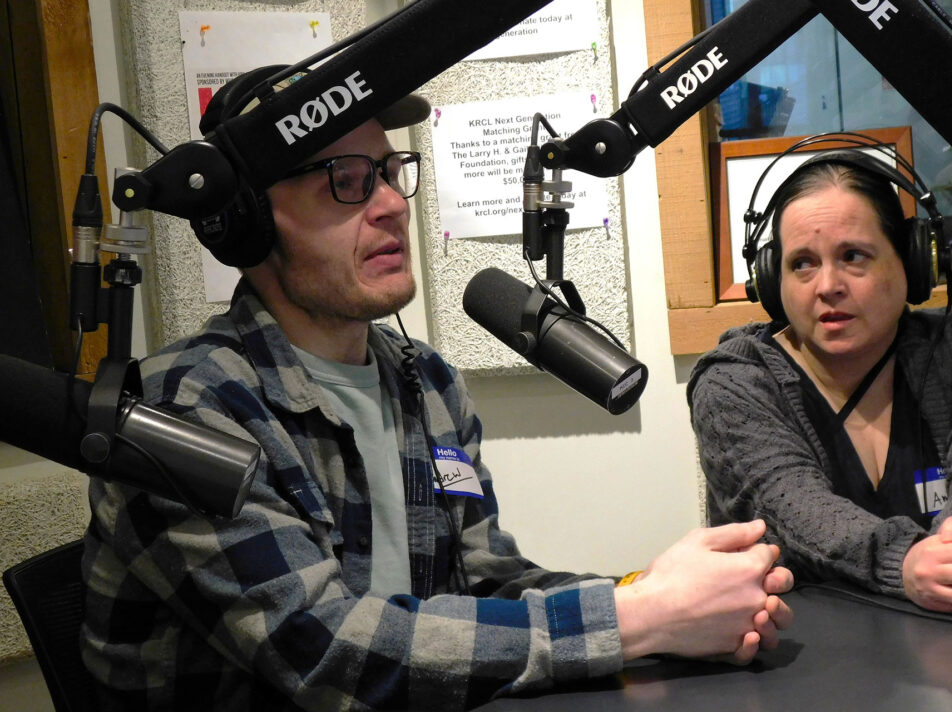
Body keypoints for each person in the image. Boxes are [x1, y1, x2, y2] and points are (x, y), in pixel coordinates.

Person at [81, 66, 793, 711]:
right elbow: (325, 653)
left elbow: (484, 583)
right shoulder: (184, 408)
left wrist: (658, 600)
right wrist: (638, 622)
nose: (392, 203)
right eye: (347, 179)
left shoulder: (423, 379)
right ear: (248, 219)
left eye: (391, 171)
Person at [688, 143, 952, 615]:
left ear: (912, 263)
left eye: (853, 255)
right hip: (806, 654)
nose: (827, 284)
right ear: (773, 282)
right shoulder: (735, 384)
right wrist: (907, 561)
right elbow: (793, 507)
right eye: (802, 263)